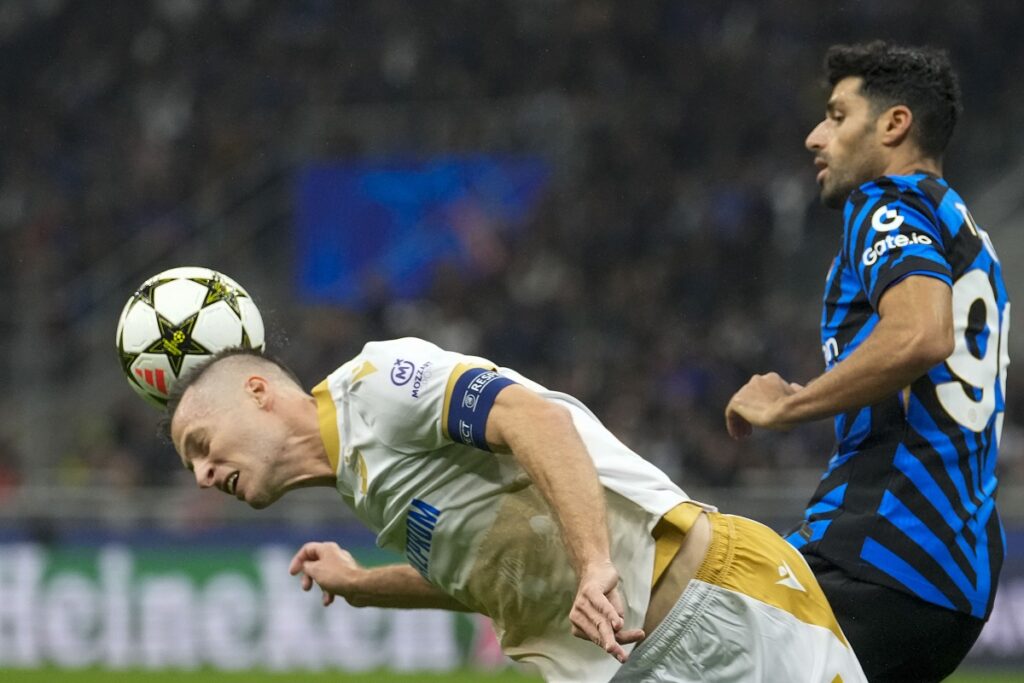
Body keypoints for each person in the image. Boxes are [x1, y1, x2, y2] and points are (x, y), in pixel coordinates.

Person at [165, 338, 865, 682]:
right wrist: (362, 584)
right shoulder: (363, 477)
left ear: (258, 391)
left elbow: (533, 419)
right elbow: (497, 574)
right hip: (632, 668)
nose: (200, 474)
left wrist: (595, 562)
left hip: (719, 614)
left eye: (201, 444)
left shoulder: (375, 384)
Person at [725, 42, 1009, 682]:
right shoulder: (966, 232)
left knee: (671, 650)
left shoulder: (886, 202)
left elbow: (921, 335)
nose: (814, 136)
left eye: (835, 115)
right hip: (955, 572)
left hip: (882, 548)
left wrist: (789, 405)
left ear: (893, 124)